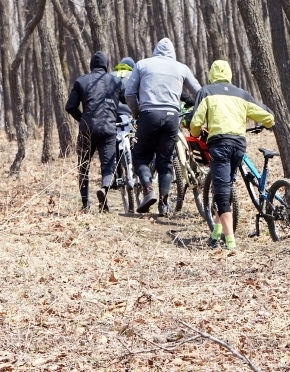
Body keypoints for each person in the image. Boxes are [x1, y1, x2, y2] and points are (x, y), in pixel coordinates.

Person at [188, 60, 274, 250]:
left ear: (211, 74)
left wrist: (195, 134)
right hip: (238, 146)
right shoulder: (241, 93)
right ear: (229, 73)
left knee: (220, 192)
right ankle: (216, 233)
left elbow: (195, 122)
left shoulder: (206, 92)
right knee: (226, 186)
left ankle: (230, 243)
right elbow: (266, 116)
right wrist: (268, 123)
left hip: (219, 145)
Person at [124, 38, 201, 215]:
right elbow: (199, 92)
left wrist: (137, 112)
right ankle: (163, 203)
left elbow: (129, 93)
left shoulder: (142, 65)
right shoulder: (181, 68)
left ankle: (148, 189)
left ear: (155, 50)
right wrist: (194, 112)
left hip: (149, 114)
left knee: (141, 157)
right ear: (173, 52)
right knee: (165, 161)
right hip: (172, 117)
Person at [65, 51, 123, 212]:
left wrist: (82, 119)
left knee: (83, 166)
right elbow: (127, 99)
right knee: (108, 165)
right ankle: (104, 189)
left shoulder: (81, 81)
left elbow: (70, 107)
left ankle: (85, 203)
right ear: (106, 64)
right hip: (109, 129)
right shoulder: (116, 81)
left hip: (87, 130)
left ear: (91, 65)